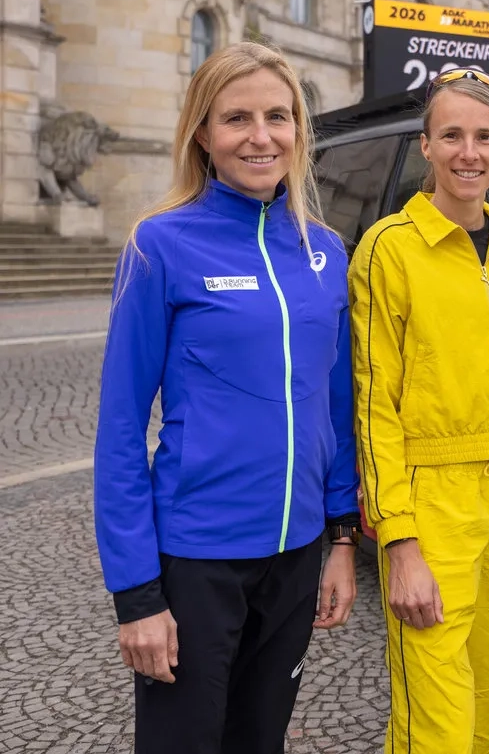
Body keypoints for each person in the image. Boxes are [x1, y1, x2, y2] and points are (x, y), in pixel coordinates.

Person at [93, 41, 361, 754]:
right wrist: (138, 596)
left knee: (259, 743)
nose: (261, 135)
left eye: (279, 116)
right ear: (203, 134)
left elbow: (334, 408)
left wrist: (341, 540)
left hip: (297, 553)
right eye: (237, 118)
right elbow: (120, 428)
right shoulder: (160, 244)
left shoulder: (325, 251)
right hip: (196, 558)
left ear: (300, 131)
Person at [348, 68, 489, 754]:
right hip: (431, 505)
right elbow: (373, 405)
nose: (470, 151)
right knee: (435, 724)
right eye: (452, 134)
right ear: (426, 145)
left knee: (485, 704)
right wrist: (398, 541)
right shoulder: (390, 249)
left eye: (485, 136)